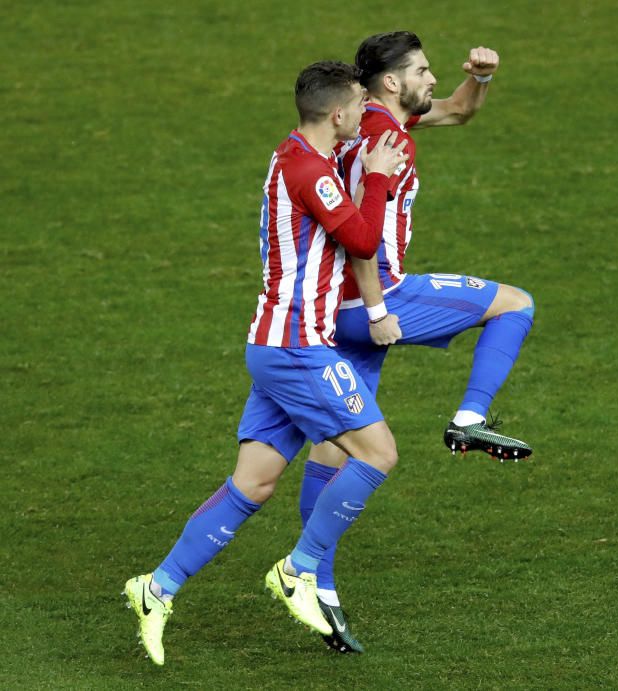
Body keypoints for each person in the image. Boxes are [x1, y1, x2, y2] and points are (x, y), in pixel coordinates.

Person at [122, 60, 408, 666]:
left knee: (253, 481)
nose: (365, 113)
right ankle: (298, 570)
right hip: (298, 346)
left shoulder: (298, 153)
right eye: (359, 104)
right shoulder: (311, 169)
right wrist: (378, 179)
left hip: (275, 345)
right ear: (337, 114)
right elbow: (362, 241)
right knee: (378, 453)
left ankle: (156, 588)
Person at [298, 32, 535, 653]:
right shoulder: (387, 140)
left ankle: (317, 590)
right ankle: (468, 418)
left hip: (331, 310)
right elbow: (363, 237)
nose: (434, 79)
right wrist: (378, 307)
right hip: (378, 298)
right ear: (393, 83)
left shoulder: (367, 123)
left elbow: (459, 108)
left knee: (334, 449)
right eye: (424, 71)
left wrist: (480, 77)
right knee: (514, 304)